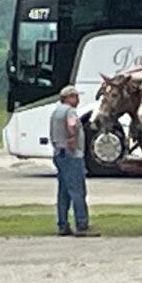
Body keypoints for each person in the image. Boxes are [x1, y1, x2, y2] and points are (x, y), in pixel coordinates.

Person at [50, 85, 97, 236]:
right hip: (71, 155)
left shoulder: (56, 112)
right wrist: (72, 137)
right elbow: (72, 125)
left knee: (63, 192)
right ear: (68, 97)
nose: (78, 99)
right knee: (78, 190)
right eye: (75, 96)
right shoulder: (70, 111)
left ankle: (63, 224)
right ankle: (81, 224)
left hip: (59, 153)